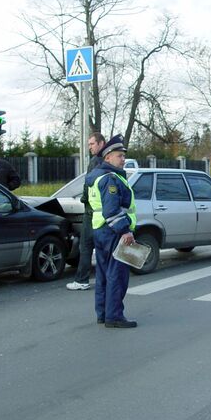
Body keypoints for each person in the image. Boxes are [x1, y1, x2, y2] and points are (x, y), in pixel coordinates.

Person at [86, 134, 137, 328]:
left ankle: (103, 313)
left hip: (101, 230)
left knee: (104, 274)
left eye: (123, 156)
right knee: (117, 275)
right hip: (113, 232)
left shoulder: (98, 176)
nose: (123, 159)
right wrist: (125, 231)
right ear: (107, 157)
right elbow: (111, 209)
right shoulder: (109, 179)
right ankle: (114, 316)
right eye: (119, 156)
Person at [66, 132, 106, 291]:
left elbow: (89, 184)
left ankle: (82, 279)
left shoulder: (96, 161)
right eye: (89, 144)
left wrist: (84, 199)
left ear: (101, 143)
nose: (89, 147)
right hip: (102, 211)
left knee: (86, 245)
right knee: (102, 246)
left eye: (92, 144)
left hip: (92, 211)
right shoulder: (108, 159)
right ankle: (106, 278)